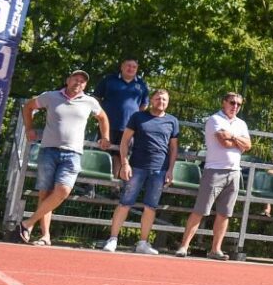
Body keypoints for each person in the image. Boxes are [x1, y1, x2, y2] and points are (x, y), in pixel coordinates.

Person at [16, 69, 110, 246]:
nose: (78, 83)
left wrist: (105, 137)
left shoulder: (90, 101)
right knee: (45, 193)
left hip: (73, 153)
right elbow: (28, 106)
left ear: (85, 85)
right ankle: (45, 236)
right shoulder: (50, 96)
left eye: (82, 81)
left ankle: (27, 223)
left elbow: (103, 117)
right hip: (48, 150)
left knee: (63, 191)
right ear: (68, 80)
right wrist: (29, 128)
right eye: (76, 79)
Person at [102, 88, 180, 254]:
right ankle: (113, 239)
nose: (161, 102)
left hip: (160, 170)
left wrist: (170, 170)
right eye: (158, 98)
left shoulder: (172, 121)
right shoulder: (138, 117)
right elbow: (124, 142)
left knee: (151, 207)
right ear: (152, 100)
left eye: (165, 99)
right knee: (125, 202)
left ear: (168, 102)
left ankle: (143, 243)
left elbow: (173, 149)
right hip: (136, 166)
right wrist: (125, 163)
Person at [176, 92, 251, 259]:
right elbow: (223, 142)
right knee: (200, 210)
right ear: (224, 102)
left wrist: (232, 136)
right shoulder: (214, 120)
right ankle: (183, 246)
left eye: (239, 104)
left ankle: (215, 249)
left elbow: (248, 145)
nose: (235, 106)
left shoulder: (241, 123)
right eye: (232, 102)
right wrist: (238, 141)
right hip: (214, 170)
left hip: (234, 172)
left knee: (225, 213)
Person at [93, 58, 148, 149]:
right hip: (107, 125)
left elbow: (144, 105)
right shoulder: (109, 79)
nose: (131, 69)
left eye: (134, 67)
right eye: (128, 66)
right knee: (103, 153)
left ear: (137, 69)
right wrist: (101, 114)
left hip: (129, 128)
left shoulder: (142, 84)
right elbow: (96, 98)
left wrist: (134, 118)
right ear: (122, 67)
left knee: (122, 156)